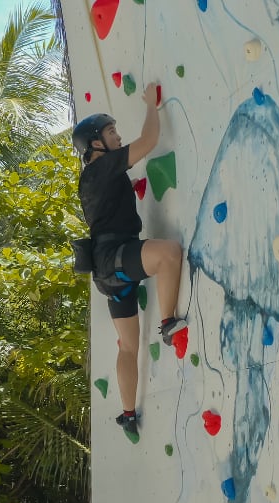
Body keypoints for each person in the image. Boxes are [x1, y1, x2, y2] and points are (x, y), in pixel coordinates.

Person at [72, 82, 187, 443]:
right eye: (111, 133)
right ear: (95, 144)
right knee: (168, 253)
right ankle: (168, 323)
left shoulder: (94, 177)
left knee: (128, 346)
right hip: (116, 256)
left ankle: (127, 414)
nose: (118, 137)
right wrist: (151, 104)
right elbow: (149, 140)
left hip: (107, 271)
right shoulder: (101, 168)